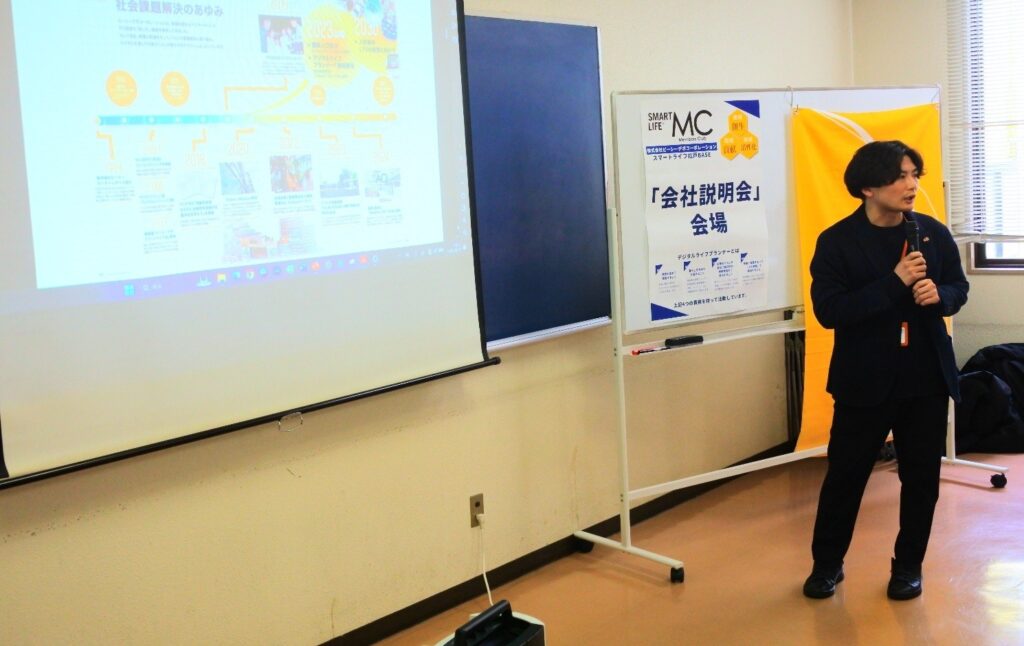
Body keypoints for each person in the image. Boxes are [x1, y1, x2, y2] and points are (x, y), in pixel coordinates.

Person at [802, 140, 969, 601]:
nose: (911, 185)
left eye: (914, 174)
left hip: (925, 376)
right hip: (865, 378)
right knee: (846, 477)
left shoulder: (931, 233)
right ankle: (827, 565)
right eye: (899, 176)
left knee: (921, 479)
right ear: (868, 188)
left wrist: (942, 296)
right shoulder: (837, 241)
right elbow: (831, 311)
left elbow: (958, 286)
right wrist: (895, 282)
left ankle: (908, 566)